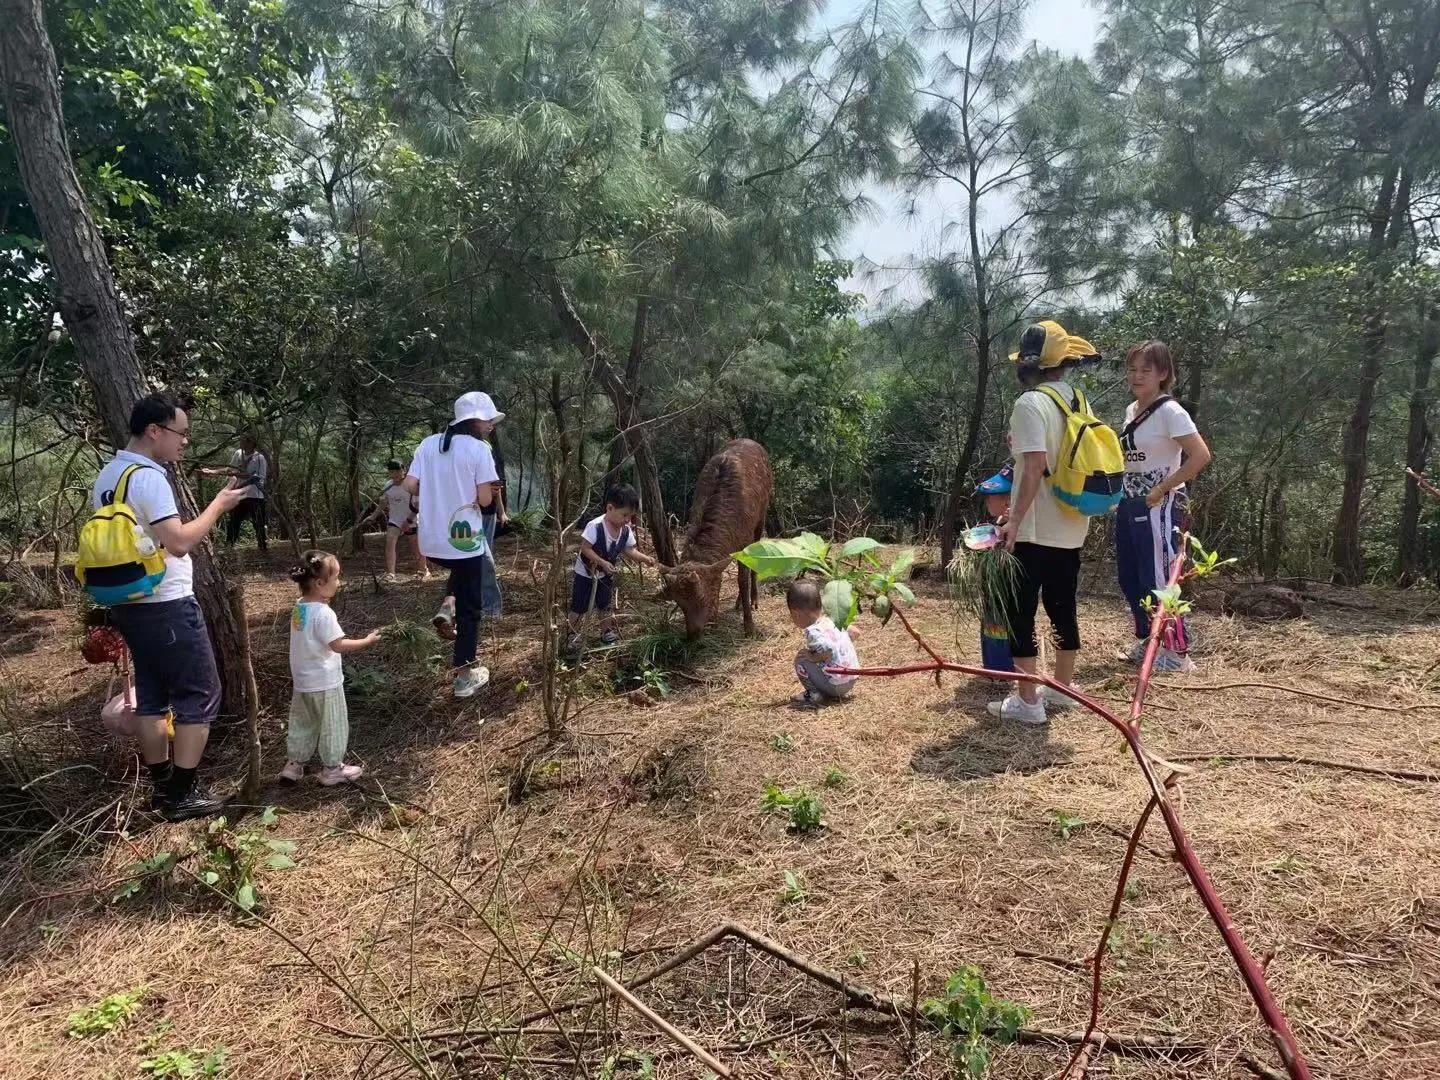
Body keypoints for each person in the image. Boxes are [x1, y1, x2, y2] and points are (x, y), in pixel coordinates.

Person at [90, 392, 249, 820]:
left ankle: (162, 788)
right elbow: (178, 543)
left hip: (128, 602)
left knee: (153, 698)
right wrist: (218, 504)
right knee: (200, 692)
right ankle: (182, 793)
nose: (184, 443)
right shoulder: (149, 476)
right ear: (154, 431)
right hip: (166, 603)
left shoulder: (108, 475)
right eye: (181, 434)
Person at [989, 320, 1101, 726]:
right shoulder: (1077, 400)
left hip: (1035, 528)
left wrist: (1012, 522)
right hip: (1071, 524)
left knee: (1021, 612)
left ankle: (1028, 701)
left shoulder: (1030, 403)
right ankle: (1062, 689)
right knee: (1061, 607)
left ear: (1029, 364)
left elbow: (1035, 467)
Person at [1116, 340, 1213, 673]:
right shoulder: (1132, 410)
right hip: (1130, 502)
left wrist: (1162, 488)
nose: (1137, 376)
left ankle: (1176, 650)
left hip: (1160, 503)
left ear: (1163, 374)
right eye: (1132, 369)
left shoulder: (1170, 411)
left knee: (1158, 575)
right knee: (1130, 575)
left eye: (1146, 370)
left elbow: (1200, 455)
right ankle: (1149, 638)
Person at [404, 392, 503, 698]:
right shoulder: (478, 449)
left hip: (431, 539)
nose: (490, 425)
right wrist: (474, 490)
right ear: (475, 420)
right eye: (488, 419)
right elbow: (486, 500)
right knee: (472, 609)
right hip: (464, 539)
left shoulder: (428, 443)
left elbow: (409, 484)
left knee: (460, 571)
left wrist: (438, 489)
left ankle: (448, 603)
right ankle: (463, 675)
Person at [280, 550, 380, 786]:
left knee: (303, 722)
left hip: (303, 683)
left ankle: (294, 764)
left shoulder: (299, 608)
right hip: (325, 682)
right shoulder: (324, 613)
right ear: (319, 583)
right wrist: (367, 641)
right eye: (336, 578)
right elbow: (337, 645)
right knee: (332, 723)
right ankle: (333, 768)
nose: (339, 583)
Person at [566, 484, 657, 652]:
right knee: (579, 606)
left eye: (630, 516)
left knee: (605, 605)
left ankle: (606, 632)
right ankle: (571, 635)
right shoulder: (595, 526)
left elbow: (630, 550)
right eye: (624, 515)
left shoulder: (625, 531)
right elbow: (585, 548)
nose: (627, 520)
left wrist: (645, 559)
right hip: (586, 574)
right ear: (609, 508)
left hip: (605, 575)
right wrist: (601, 561)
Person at [786, 580, 859, 709]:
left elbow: (828, 650)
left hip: (836, 686)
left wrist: (813, 657)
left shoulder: (813, 631)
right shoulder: (834, 619)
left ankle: (814, 694)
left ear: (796, 614)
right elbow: (855, 632)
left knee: (801, 659)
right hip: (852, 679)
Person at [974, 466, 1016, 676]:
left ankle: (1002, 668)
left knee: (1001, 625)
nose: (987, 501)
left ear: (1008, 502)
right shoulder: (997, 523)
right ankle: (993, 665)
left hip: (1005, 593)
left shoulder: (1015, 527)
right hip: (992, 592)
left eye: (992, 497)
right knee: (991, 623)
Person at [201, 433, 268, 553]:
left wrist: (238, 474)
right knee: (234, 521)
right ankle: (228, 548)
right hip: (239, 494)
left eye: (244, 440)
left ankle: (263, 549)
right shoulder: (238, 453)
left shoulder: (259, 458)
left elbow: (259, 476)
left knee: (259, 524)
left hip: (255, 496)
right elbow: (230, 469)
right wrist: (213, 471)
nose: (241, 442)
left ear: (251, 443)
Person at [365, 460, 430, 583]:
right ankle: (391, 573)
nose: (395, 475)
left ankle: (423, 570)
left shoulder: (411, 485)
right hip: (395, 520)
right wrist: (373, 516)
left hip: (412, 519)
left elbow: (418, 505)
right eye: (392, 473)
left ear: (403, 471)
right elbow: (383, 503)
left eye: (397, 472)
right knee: (390, 541)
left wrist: (408, 520)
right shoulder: (388, 485)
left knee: (416, 547)